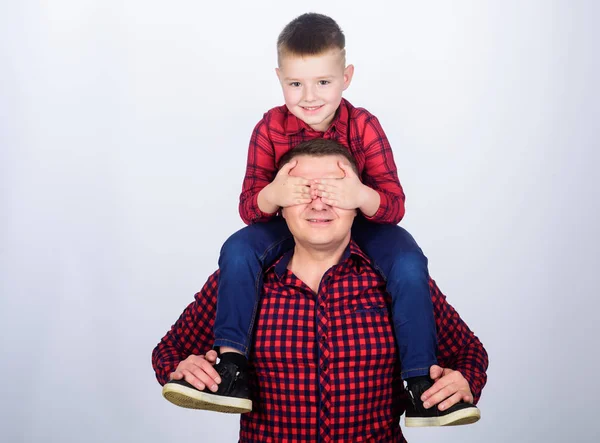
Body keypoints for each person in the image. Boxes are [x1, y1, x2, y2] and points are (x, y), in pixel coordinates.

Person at [163, 12, 468, 424]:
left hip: (364, 222)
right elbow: (250, 207)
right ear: (279, 78)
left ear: (347, 76)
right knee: (236, 248)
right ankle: (232, 364)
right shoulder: (270, 127)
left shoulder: (364, 126)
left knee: (409, 260)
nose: (309, 96)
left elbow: (393, 205)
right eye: (295, 84)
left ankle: (418, 382)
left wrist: (358, 195)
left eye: (323, 82)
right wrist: (274, 194)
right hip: (281, 224)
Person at [154, 141, 488, 441]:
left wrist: (464, 381)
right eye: (302, 191)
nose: (319, 204)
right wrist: (184, 368)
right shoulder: (241, 281)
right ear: (278, 206)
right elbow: (169, 350)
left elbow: (469, 352)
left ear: (359, 205)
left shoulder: (400, 281)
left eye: (334, 191)